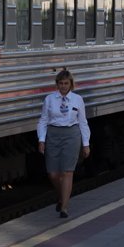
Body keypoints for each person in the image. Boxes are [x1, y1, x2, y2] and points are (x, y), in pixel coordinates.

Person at [36, 69, 91, 218]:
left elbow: (83, 122)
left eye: (66, 83)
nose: (63, 86)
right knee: (53, 173)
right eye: (60, 83)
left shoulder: (77, 99)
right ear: (57, 85)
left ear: (71, 84)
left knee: (67, 172)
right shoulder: (49, 99)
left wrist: (86, 143)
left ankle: (64, 207)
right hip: (53, 135)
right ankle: (61, 196)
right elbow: (43, 120)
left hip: (72, 135)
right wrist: (41, 139)